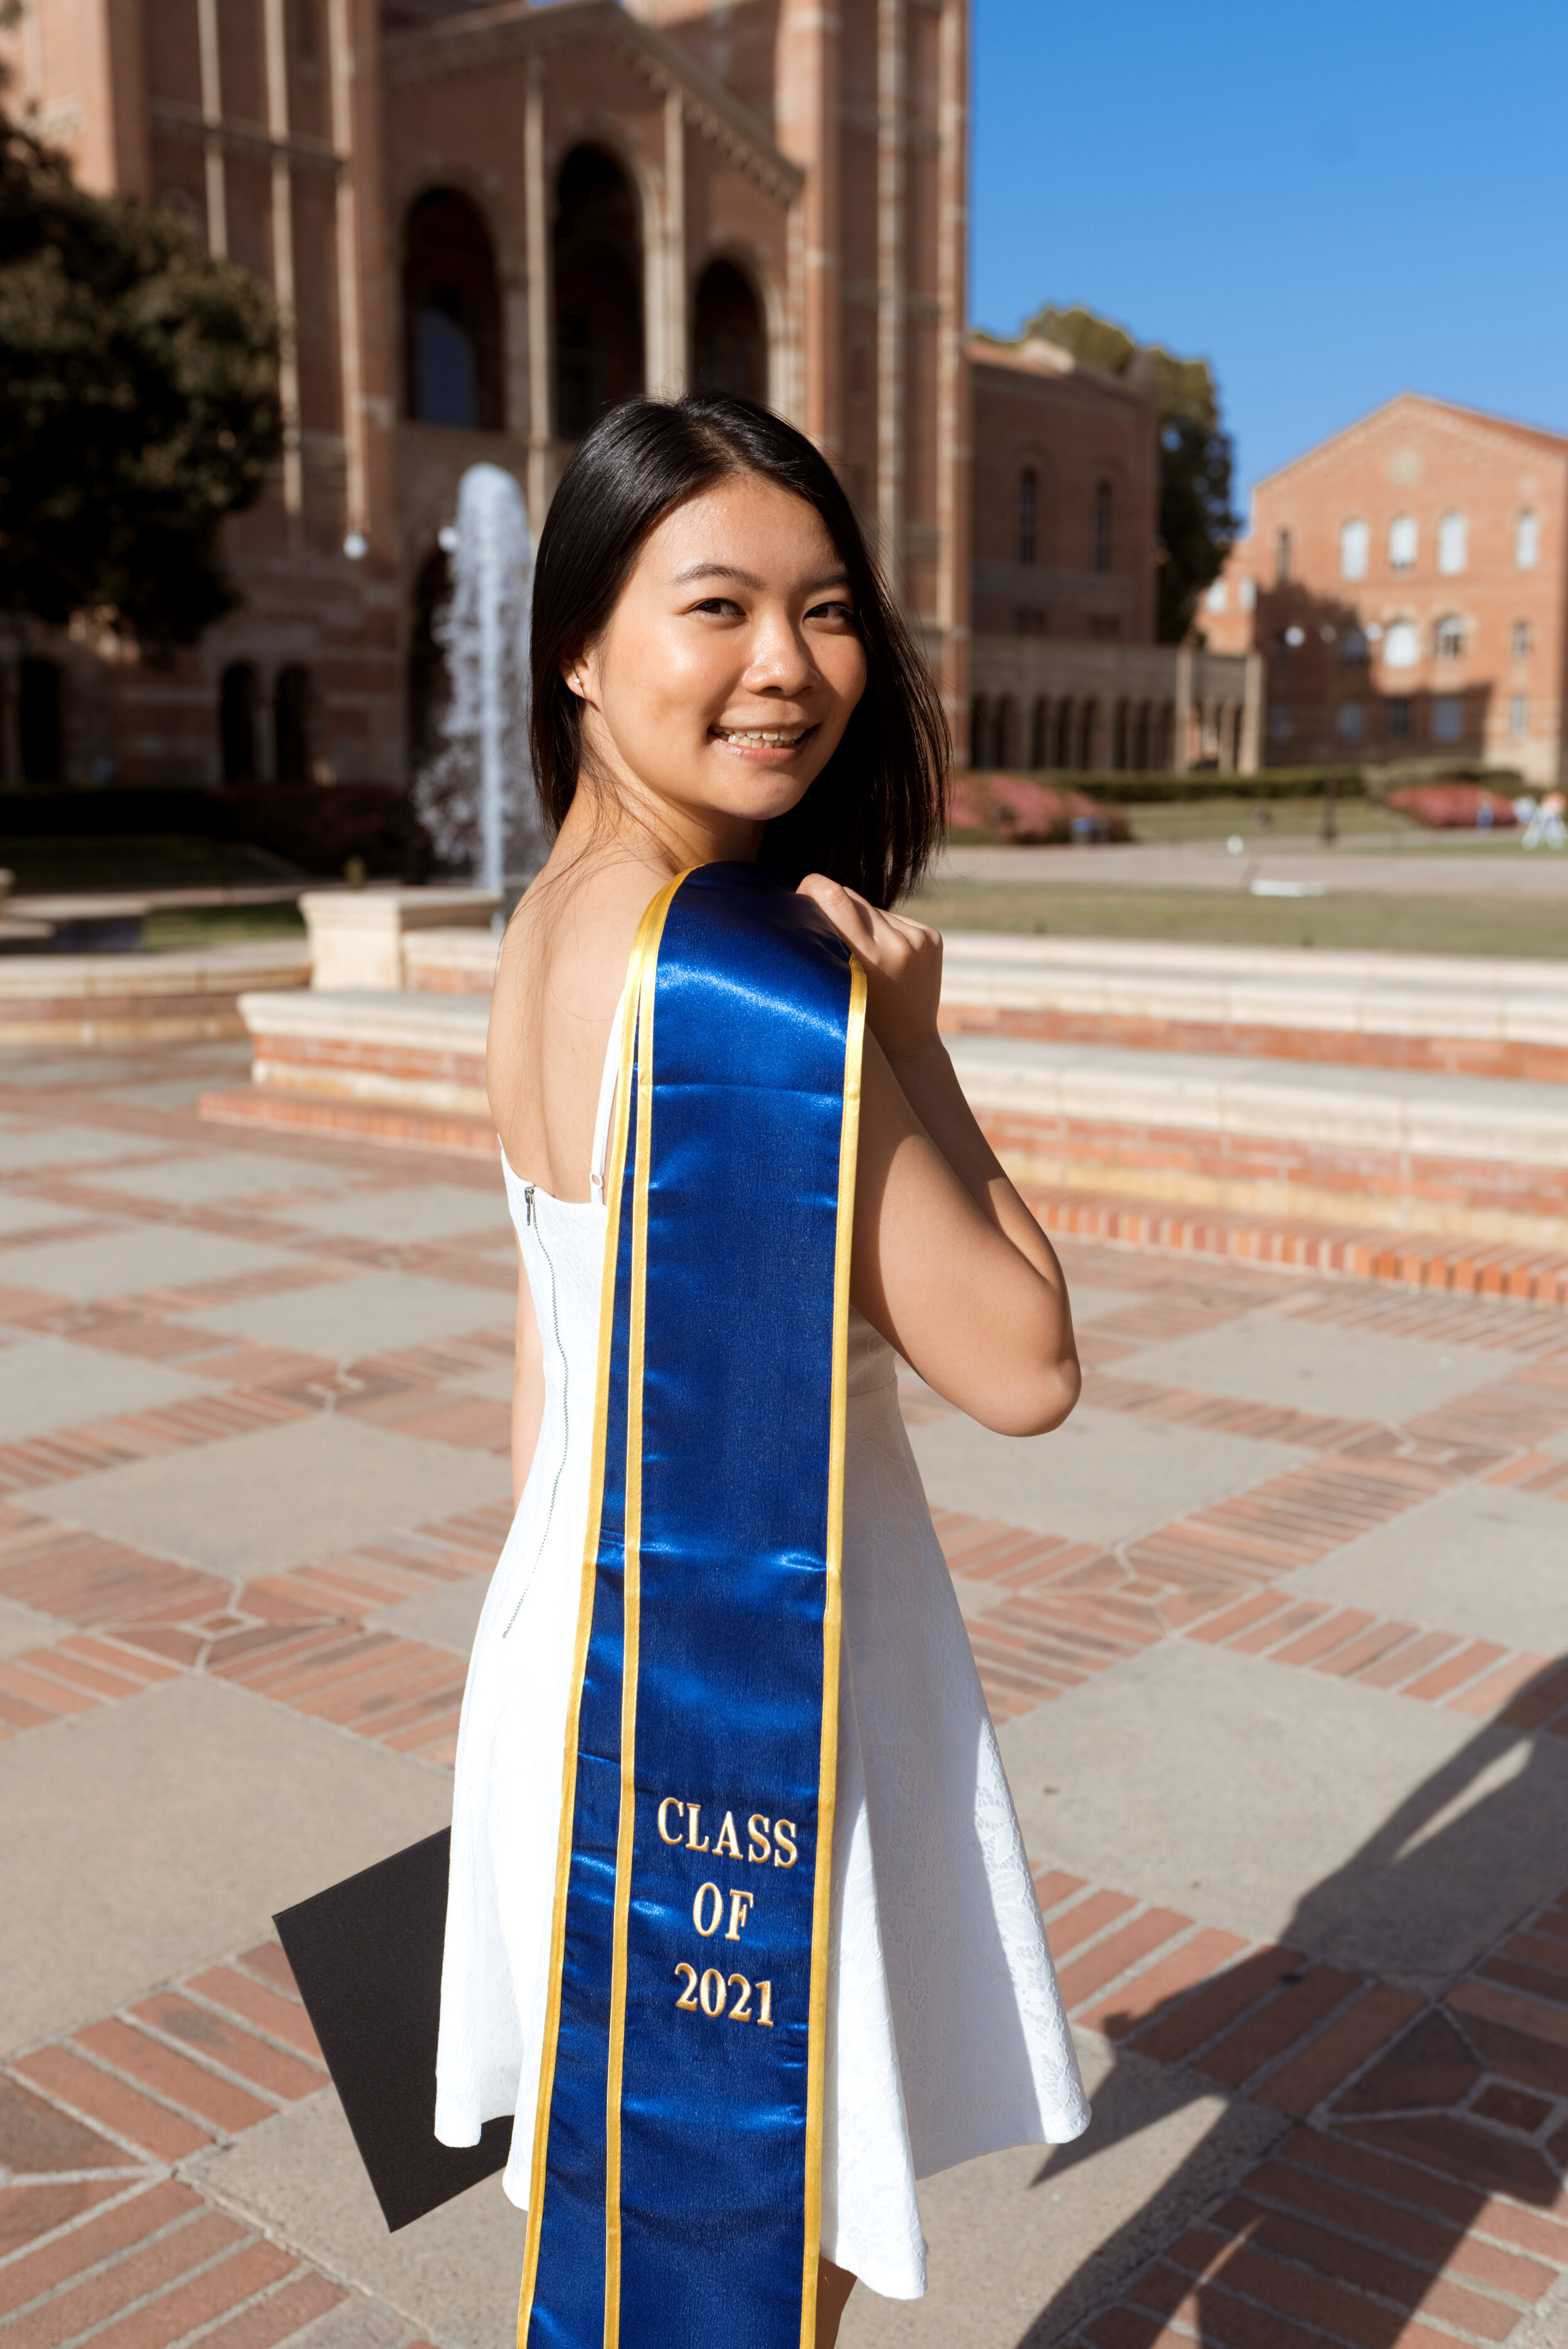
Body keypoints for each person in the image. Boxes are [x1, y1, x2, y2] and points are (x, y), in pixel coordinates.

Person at [436, 394, 1089, 2348]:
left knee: (636, 2248)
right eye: (714, 605)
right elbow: (1031, 1360)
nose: (788, 668)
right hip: (750, 1684)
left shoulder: (546, 920)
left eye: (824, 611)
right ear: (577, 639)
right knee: (743, 2271)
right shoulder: (738, 982)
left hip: (580, 1639)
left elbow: (546, 1373)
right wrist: (910, 1035)